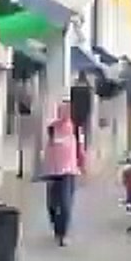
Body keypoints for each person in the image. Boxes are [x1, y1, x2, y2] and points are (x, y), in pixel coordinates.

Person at [42, 100, 85, 247]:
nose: (65, 112)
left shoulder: (75, 128)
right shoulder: (52, 128)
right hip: (53, 171)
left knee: (66, 204)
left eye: (68, 110)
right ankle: (56, 228)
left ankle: (63, 234)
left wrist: (83, 165)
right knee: (52, 205)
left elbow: (80, 148)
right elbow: (47, 149)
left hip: (69, 171)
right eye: (62, 110)